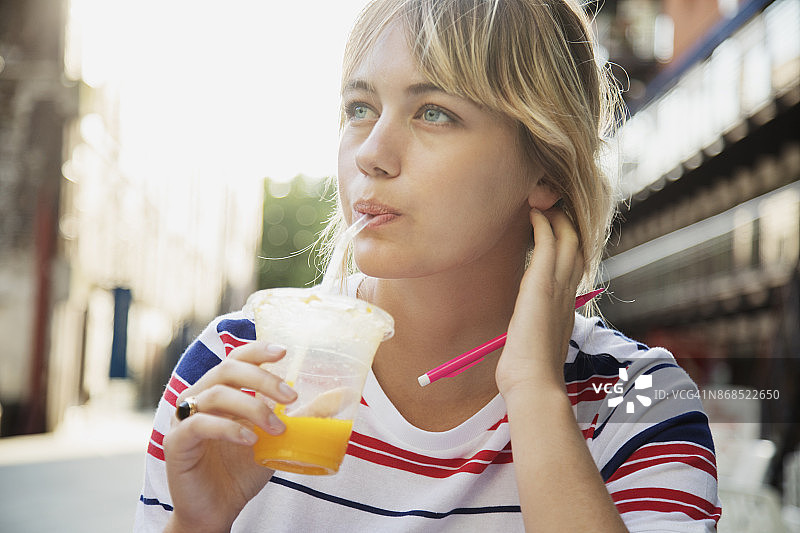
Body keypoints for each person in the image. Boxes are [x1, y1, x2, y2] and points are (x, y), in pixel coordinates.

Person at [135, 0, 721, 531]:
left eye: (433, 113)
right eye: (360, 108)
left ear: (545, 167)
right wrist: (196, 526)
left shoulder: (640, 405)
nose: (371, 154)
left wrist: (534, 392)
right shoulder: (233, 368)